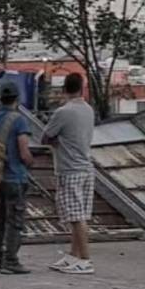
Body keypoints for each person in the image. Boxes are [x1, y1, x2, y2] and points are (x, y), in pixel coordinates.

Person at [41, 73, 96, 275]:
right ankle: (73, 255)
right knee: (79, 215)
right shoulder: (88, 110)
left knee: (75, 216)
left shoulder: (63, 112)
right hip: (86, 166)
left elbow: (46, 136)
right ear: (82, 88)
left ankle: (85, 259)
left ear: (64, 89)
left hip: (69, 168)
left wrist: (57, 142)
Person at [0, 82, 33, 274]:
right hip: (15, 177)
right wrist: (30, 161)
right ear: (17, 99)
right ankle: (11, 261)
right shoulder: (19, 120)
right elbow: (23, 151)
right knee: (15, 220)